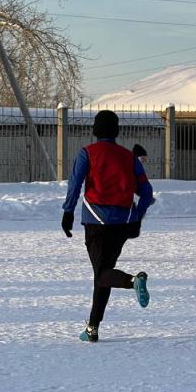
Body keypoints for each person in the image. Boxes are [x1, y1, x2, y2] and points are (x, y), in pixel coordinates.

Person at [62, 110, 155, 341]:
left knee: (102, 273)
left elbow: (74, 185)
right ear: (117, 131)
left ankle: (133, 281)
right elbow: (146, 192)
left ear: (95, 130)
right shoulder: (129, 157)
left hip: (96, 220)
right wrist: (137, 216)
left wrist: (67, 212)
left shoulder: (88, 153)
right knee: (103, 273)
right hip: (123, 223)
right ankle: (92, 328)